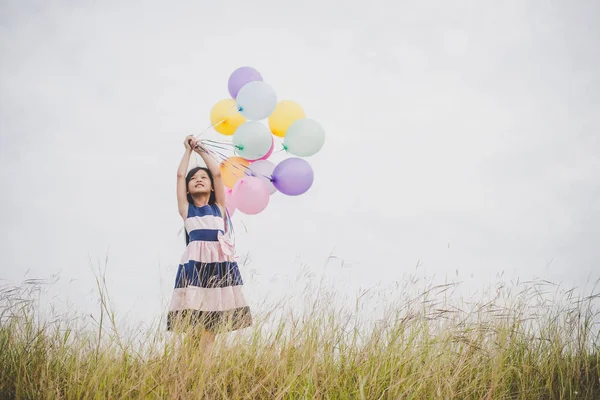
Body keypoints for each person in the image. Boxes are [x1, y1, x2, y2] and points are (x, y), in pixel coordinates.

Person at [167, 135, 252, 354]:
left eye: (203, 177)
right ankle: (190, 359)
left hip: (218, 264)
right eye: (193, 179)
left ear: (213, 187)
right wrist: (187, 151)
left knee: (212, 319)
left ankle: (204, 362)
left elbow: (216, 173)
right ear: (187, 189)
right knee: (195, 316)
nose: (198, 179)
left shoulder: (219, 208)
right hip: (195, 265)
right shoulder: (187, 209)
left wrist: (201, 150)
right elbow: (179, 175)